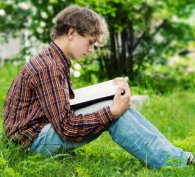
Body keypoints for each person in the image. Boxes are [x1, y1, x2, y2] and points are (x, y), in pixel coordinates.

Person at [3, 5, 194, 169]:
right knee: (113, 113)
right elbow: (66, 127)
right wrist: (110, 113)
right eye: (90, 42)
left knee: (115, 105)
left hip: (36, 133)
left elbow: (65, 104)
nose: (91, 50)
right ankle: (175, 161)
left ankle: (176, 156)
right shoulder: (49, 67)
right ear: (71, 33)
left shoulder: (54, 60)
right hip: (30, 143)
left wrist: (109, 88)